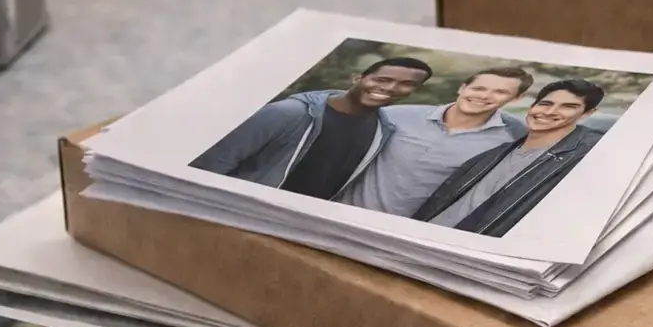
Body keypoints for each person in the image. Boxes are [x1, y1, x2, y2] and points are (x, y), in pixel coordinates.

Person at [189, 56, 433, 201]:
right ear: (358, 78)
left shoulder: (384, 131)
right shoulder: (287, 113)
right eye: (382, 79)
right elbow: (211, 165)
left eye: (405, 84)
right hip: (244, 213)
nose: (390, 88)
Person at [412, 79, 607, 236]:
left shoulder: (584, 158)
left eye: (568, 107)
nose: (549, 112)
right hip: (426, 239)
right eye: (545, 104)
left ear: (587, 113)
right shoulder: (494, 153)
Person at [336, 66, 534, 217]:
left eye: (500, 92)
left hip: (413, 231)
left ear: (517, 98)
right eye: (478, 88)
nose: (484, 96)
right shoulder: (395, 115)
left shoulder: (511, 140)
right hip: (344, 213)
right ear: (463, 88)